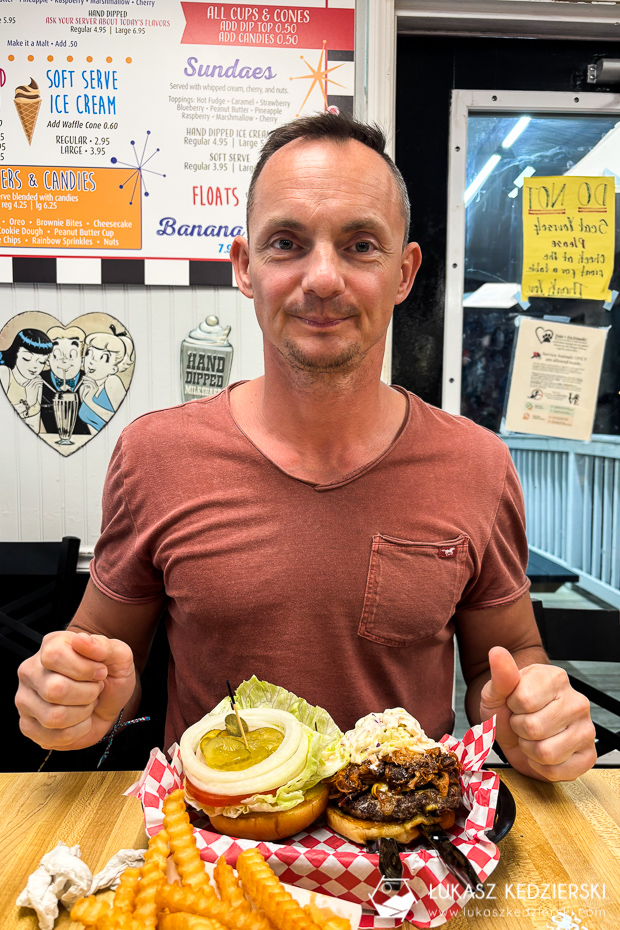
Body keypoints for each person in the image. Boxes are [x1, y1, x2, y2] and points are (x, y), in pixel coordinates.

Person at [16, 113, 596, 783]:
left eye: (361, 246)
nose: (322, 278)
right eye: (287, 243)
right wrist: (74, 697)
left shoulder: (477, 465)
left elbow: (511, 656)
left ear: (404, 272)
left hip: (405, 837)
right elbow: (103, 658)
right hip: (211, 840)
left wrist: (534, 713)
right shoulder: (156, 455)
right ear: (245, 267)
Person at [78, 326, 134, 433]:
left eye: (103, 357)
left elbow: (124, 420)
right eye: (89, 353)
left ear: (114, 368)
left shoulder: (112, 382)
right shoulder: (84, 388)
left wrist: (89, 401)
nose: (91, 361)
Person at [0, 328, 53, 433]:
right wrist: (29, 403)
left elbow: (34, 428)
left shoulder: (37, 381)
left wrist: (33, 401)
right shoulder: (4, 373)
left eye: (41, 362)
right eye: (27, 358)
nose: (35, 366)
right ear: (15, 353)